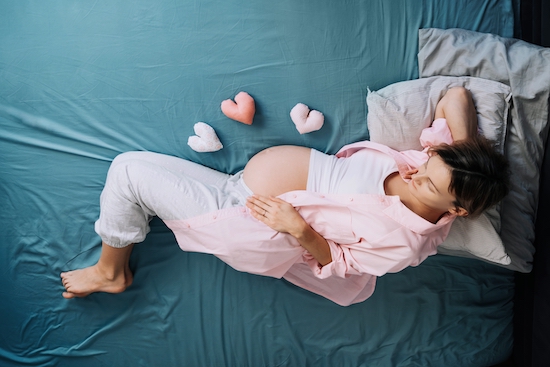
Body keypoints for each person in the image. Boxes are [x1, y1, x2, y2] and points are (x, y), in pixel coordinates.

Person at [60, 87, 510, 306]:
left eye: (429, 184)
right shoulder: (431, 170)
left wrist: (297, 227)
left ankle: (110, 271)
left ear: (457, 210)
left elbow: (341, 267)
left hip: (251, 223)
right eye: (426, 165)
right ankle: (113, 262)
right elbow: (456, 96)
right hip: (241, 187)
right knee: (135, 168)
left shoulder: (406, 242)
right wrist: (456, 158)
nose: (415, 174)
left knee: (127, 170)